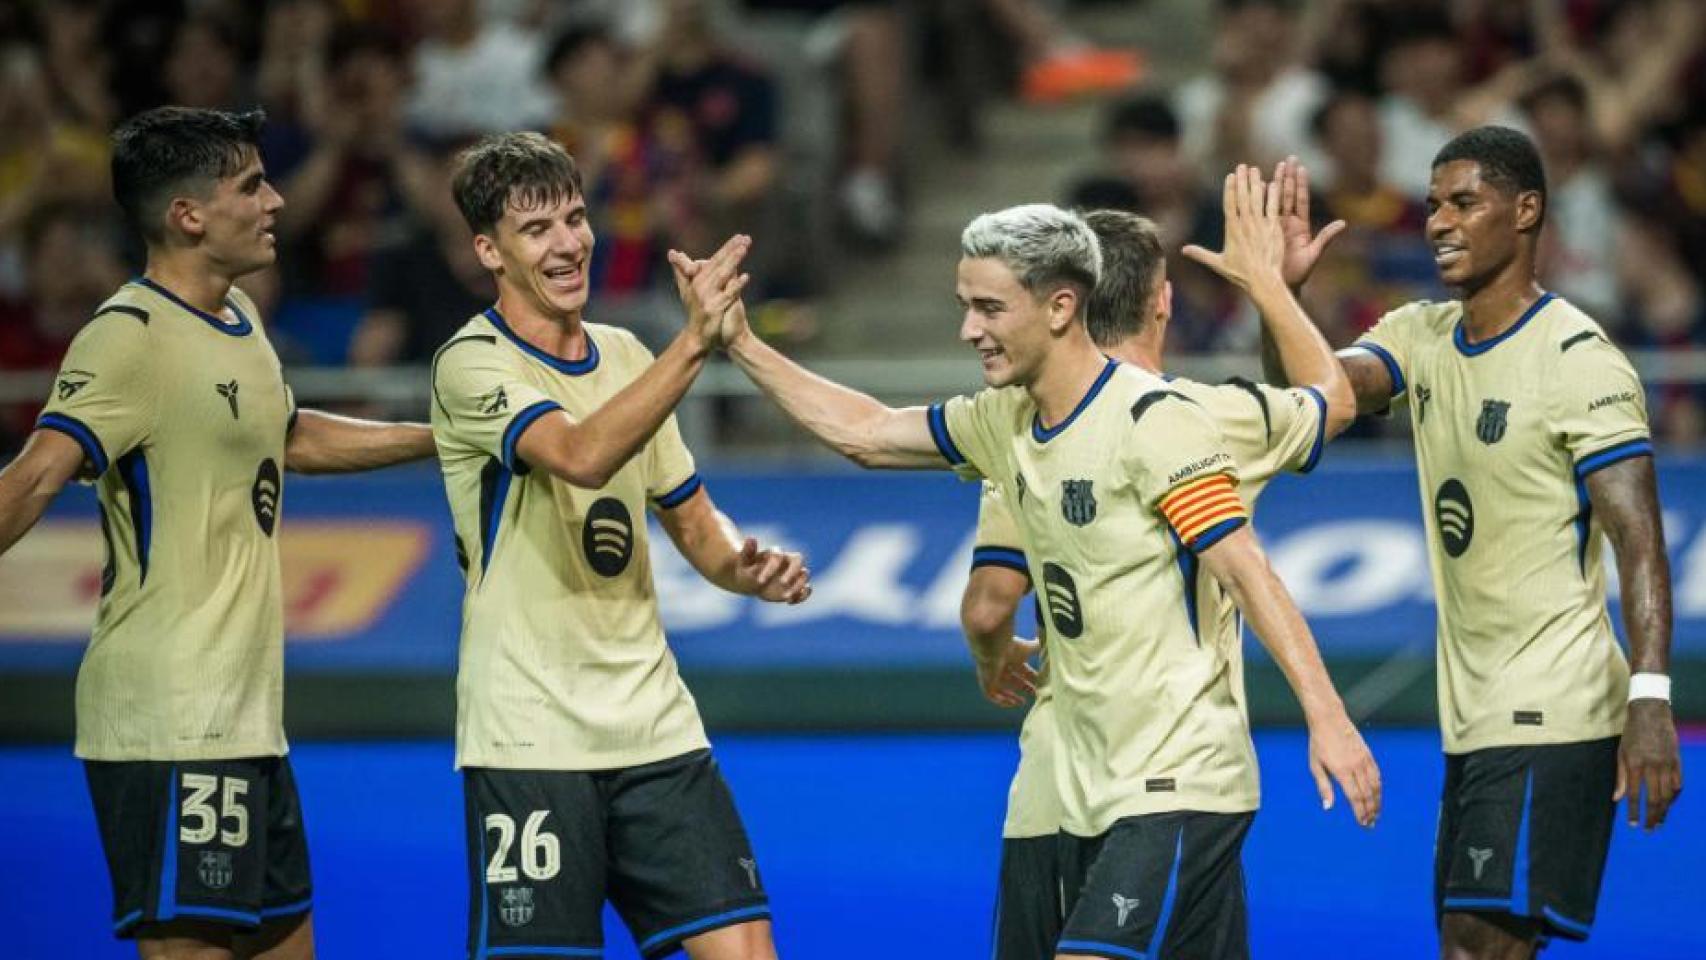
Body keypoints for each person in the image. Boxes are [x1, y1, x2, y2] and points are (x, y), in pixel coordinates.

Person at [677, 175, 1380, 960]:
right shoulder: (1004, 421)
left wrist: (1328, 716)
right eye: (964, 306)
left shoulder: (1155, 421)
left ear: (1060, 307)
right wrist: (738, 343)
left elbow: (1247, 569)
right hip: (1074, 787)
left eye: (988, 308)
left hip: (1175, 780)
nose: (967, 331)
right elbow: (867, 431)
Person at [0, 106, 437, 959]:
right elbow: (31, 479)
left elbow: (288, 435)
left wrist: (446, 439)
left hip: (246, 719)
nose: (276, 201)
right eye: (250, 185)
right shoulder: (125, 339)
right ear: (187, 216)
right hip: (168, 716)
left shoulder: (239, 317)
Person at [1303, 125, 1683, 956]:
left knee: (1478, 944)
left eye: (1464, 203)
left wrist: (1651, 700)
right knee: (1474, 943)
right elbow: (1315, 404)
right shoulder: (1419, 335)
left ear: (1526, 211)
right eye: (1435, 204)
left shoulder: (1579, 358)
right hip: (1473, 715)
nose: (1438, 221)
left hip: (1555, 704)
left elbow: (1640, 541)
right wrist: (1277, 297)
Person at [430, 131, 810, 960]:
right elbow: (578, 452)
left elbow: (695, 526)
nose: (568, 244)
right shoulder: (471, 363)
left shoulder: (629, 356)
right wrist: (694, 341)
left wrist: (747, 568)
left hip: (656, 728)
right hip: (529, 736)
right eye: (537, 231)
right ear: (488, 251)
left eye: (574, 218)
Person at [964, 182, 1359, 958]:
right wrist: (1271, 287)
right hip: (1176, 765)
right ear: (1163, 302)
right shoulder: (1208, 415)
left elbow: (988, 604)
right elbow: (1332, 401)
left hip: (1055, 776)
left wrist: (992, 658)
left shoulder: (1023, 420)